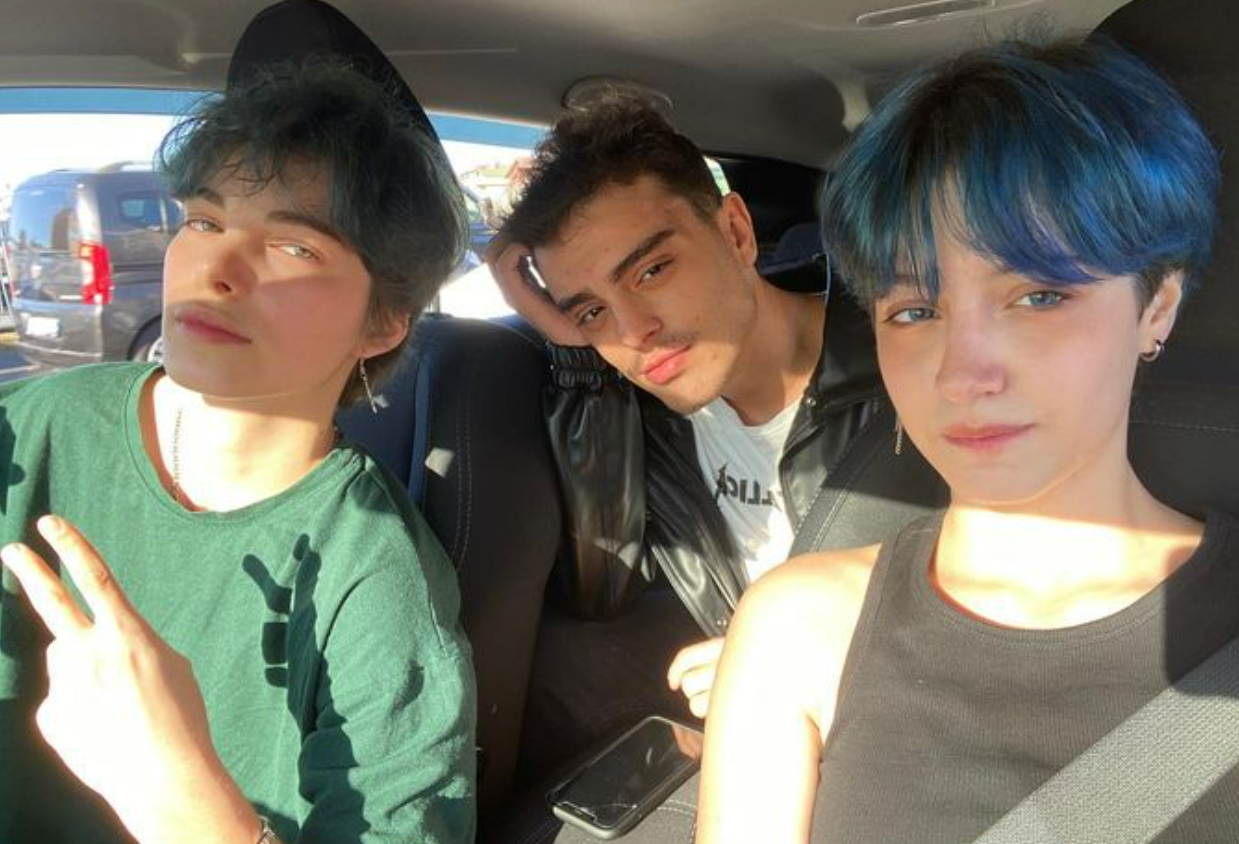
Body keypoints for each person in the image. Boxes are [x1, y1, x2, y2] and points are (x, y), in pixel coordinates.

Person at [697, 37, 1228, 843]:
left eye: (1039, 295)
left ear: (1155, 306)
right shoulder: (798, 629)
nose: (959, 375)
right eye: (914, 312)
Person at [0, 59, 476, 844]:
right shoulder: (32, 428)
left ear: (382, 323)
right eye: (204, 222)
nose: (214, 272)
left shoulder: (379, 581)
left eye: (293, 247)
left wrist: (182, 799)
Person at [485, 96, 890, 747]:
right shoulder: (651, 414)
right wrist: (577, 354)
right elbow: (601, 587)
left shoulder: (908, 369)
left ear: (736, 231)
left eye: (652, 270)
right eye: (591, 311)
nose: (632, 333)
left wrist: (792, 658)